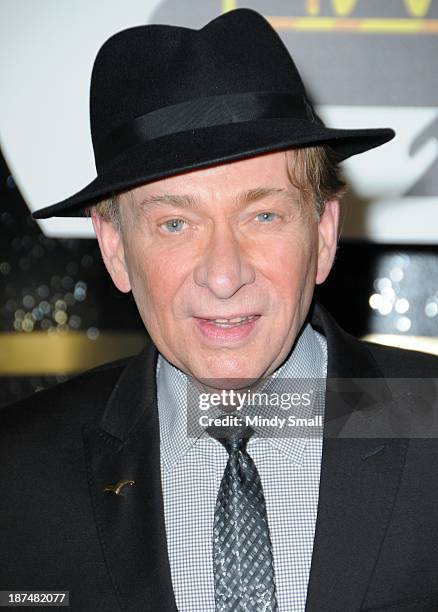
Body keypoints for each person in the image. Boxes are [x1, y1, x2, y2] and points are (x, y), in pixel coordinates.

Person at [1, 8, 437, 612]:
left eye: (263, 215)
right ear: (116, 248)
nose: (224, 275)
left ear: (324, 232)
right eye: (175, 223)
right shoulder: (15, 473)